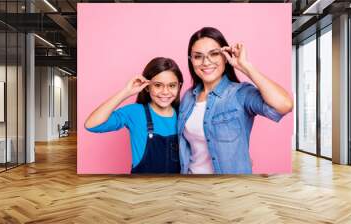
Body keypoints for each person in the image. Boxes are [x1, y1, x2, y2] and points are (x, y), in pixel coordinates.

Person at [178, 27, 294, 174]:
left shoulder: (241, 93)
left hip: (229, 190)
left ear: (225, 57)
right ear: (191, 60)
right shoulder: (188, 97)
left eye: (214, 54)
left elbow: (285, 105)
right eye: (198, 56)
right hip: (191, 187)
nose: (206, 62)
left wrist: (245, 66)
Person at [85, 57, 183, 174]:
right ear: (147, 86)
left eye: (172, 85)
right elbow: (91, 125)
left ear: (179, 86)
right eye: (158, 85)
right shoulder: (135, 113)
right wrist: (126, 92)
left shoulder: (184, 114)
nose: (165, 92)